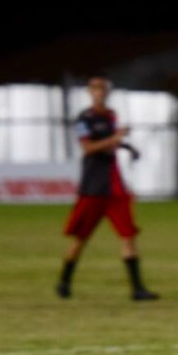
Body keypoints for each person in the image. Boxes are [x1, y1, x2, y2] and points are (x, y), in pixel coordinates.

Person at [56, 76, 157, 301]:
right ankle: (64, 282)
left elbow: (111, 141)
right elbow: (89, 148)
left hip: (114, 188)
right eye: (95, 89)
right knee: (81, 239)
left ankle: (137, 289)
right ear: (90, 92)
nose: (100, 92)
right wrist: (115, 138)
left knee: (128, 235)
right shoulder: (84, 118)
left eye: (103, 89)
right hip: (93, 187)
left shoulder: (111, 116)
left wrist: (127, 146)